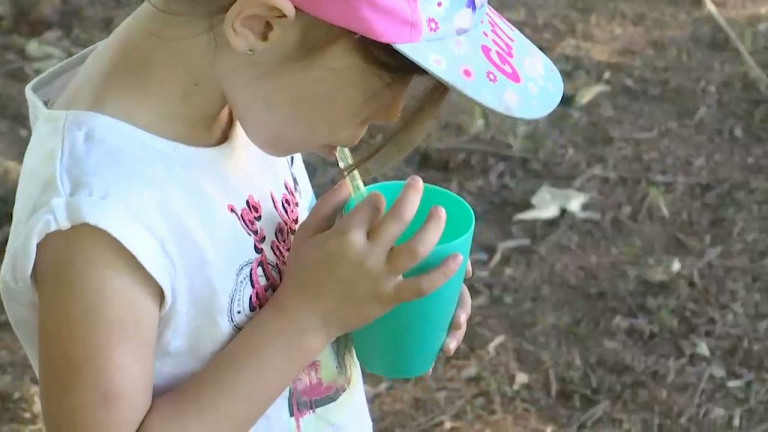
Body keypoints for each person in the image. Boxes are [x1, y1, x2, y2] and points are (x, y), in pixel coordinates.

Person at [0, 0, 563, 430]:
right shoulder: (97, 221)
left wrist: (364, 293)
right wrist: (311, 314)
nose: (392, 113)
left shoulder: (240, 97)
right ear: (261, 25)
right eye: (387, 79)